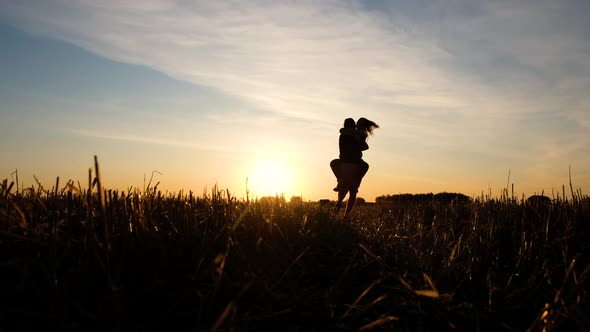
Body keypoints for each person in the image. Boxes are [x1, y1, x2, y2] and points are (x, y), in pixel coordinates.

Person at [330, 117, 379, 216]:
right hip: (355, 162)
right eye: (357, 123)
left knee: (334, 165)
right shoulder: (358, 134)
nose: (357, 125)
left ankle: (340, 184)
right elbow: (364, 147)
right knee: (353, 191)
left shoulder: (346, 134)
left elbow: (362, 146)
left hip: (345, 161)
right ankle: (346, 215)